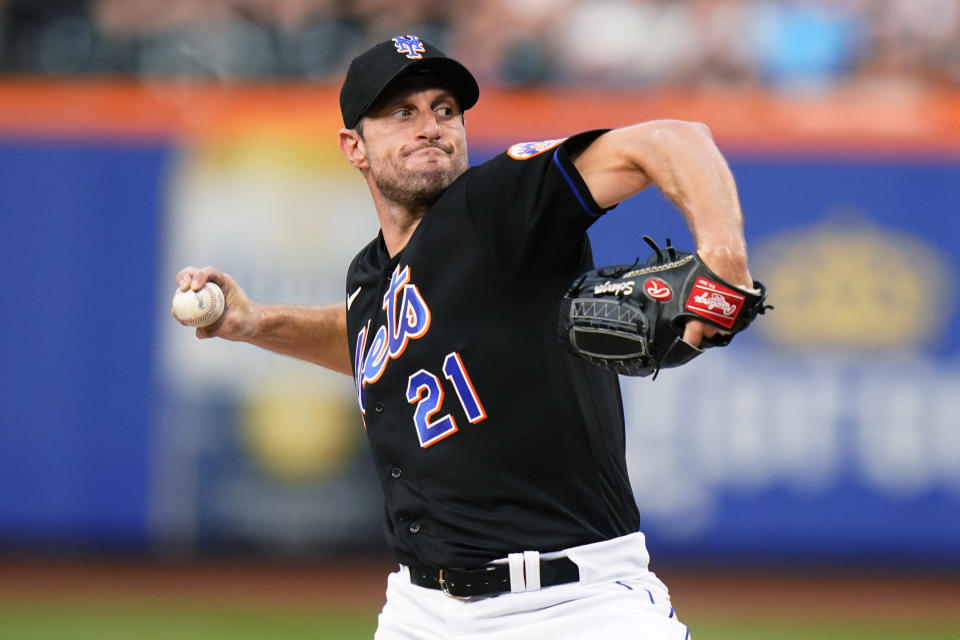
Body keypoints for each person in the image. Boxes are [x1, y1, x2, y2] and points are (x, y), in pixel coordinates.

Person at [174, 34, 754, 640]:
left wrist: (723, 256)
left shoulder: (497, 206)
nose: (430, 126)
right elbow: (371, 343)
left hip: (573, 604)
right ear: (355, 146)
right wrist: (253, 322)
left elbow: (675, 139)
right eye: (403, 112)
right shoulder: (370, 276)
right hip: (420, 609)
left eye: (445, 110)